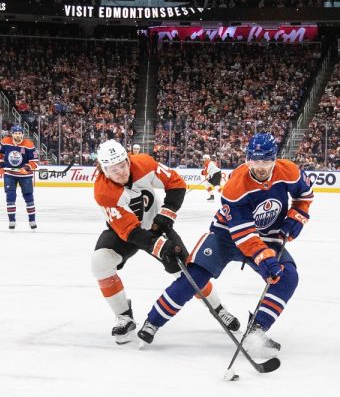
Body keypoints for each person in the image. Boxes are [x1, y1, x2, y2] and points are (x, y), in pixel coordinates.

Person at [137, 132, 314, 357]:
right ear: (247, 159)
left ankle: (256, 330)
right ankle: (153, 322)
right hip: (227, 235)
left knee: (287, 276)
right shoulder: (235, 186)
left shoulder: (290, 171)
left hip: (268, 235)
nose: (260, 167)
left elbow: (305, 195)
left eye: (266, 162)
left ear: (275, 159)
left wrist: (297, 216)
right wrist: (265, 258)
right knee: (195, 278)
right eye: (254, 161)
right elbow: (244, 234)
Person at [91, 139, 240, 345]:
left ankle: (219, 309)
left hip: (155, 226)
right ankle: (124, 316)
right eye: (114, 170)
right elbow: (130, 230)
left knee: (189, 271)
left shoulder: (143, 163)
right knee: (100, 262)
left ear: (128, 159)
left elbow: (176, 183)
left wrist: (166, 216)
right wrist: (161, 247)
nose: (121, 172)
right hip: (123, 233)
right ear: (103, 170)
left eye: (123, 165)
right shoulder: (103, 190)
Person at [0, 125, 38, 230]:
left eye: (19, 133)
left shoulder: (29, 144)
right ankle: (12, 221)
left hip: (25, 175)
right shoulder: (5, 141)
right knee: (10, 197)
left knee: (29, 198)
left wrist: (27, 167)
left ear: (22, 134)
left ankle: (32, 220)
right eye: (16, 133)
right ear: (12, 134)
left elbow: (35, 161)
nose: (18, 135)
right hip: (10, 174)